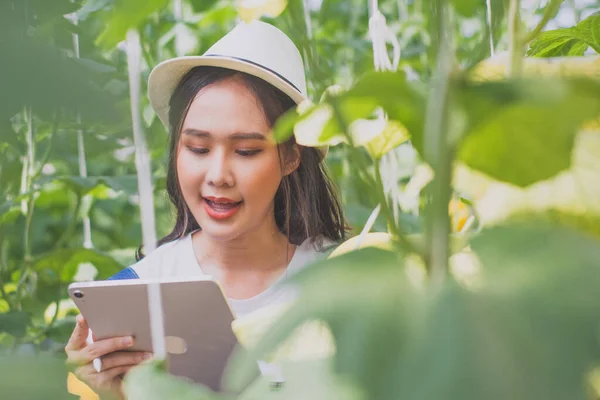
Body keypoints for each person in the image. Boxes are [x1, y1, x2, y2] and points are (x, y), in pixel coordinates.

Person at [65, 20, 347, 397]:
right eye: (197, 148)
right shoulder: (134, 292)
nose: (218, 175)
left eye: (246, 151)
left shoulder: (343, 281)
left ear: (292, 155)